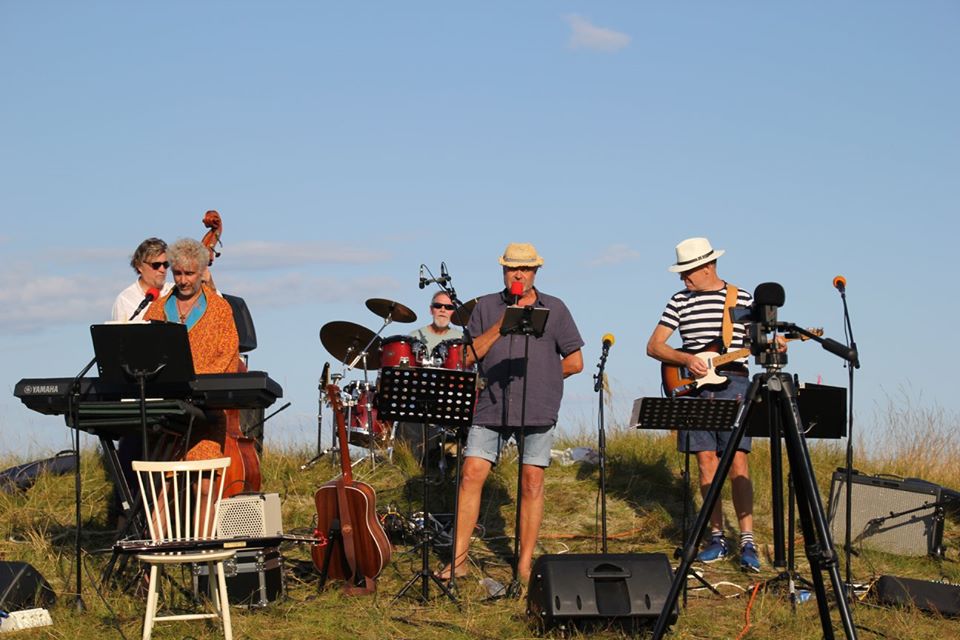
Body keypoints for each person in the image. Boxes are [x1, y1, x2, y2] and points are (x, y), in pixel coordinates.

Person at [437, 242, 584, 583]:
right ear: (503, 271)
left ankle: (524, 565)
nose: (519, 274)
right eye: (513, 268)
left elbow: (575, 362)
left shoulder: (556, 308)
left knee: (532, 482)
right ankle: (458, 560)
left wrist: (545, 377)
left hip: (538, 406)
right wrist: (501, 325)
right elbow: (466, 358)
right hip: (491, 404)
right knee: (471, 473)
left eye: (526, 268)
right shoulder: (486, 307)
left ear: (536, 272)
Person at [646, 237, 771, 573]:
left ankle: (747, 540)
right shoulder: (678, 300)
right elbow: (655, 346)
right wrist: (687, 359)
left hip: (735, 384)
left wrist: (775, 345)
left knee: (738, 461)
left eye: (688, 271)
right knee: (705, 462)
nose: (683, 277)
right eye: (682, 271)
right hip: (693, 389)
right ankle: (717, 537)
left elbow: (758, 343)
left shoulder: (741, 297)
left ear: (708, 266)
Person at [144, 238, 240, 461]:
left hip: (206, 413)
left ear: (202, 271)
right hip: (165, 413)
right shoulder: (157, 308)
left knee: (203, 478)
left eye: (189, 274)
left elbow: (228, 353)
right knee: (160, 480)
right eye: (177, 273)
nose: (183, 280)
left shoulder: (220, 309)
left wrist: (196, 382)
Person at [395, 291, 465, 465]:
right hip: (420, 398)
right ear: (431, 309)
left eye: (448, 307)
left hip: (449, 400)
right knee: (408, 420)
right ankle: (411, 466)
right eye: (438, 306)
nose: (443, 310)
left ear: (453, 311)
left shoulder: (461, 339)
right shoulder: (414, 336)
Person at [111, 237, 174, 322]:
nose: (162, 270)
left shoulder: (175, 292)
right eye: (156, 265)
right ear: (139, 266)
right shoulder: (125, 300)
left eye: (166, 264)